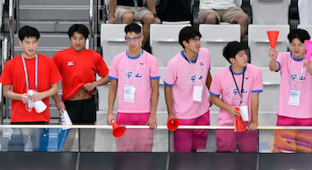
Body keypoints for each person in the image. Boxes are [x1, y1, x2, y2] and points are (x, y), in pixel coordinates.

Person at [0, 26, 62, 151]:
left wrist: (41, 95)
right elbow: (5, 92)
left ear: (37, 43)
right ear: (20, 43)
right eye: (27, 42)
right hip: (19, 117)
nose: (31, 46)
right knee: (16, 154)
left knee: (40, 154)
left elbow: (55, 88)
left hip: (40, 116)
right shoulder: (11, 64)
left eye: (34, 42)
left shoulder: (48, 62)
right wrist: (20, 97)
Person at [53, 24, 110, 151]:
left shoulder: (94, 56)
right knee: (66, 142)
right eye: (74, 38)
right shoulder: (60, 56)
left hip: (88, 104)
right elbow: (50, 80)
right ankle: (63, 164)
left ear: (86, 39)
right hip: (69, 105)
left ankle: (87, 163)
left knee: (87, 143)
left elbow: (109, 76)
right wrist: (57, 100)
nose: (77, 42)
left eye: (81, 38)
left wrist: (95, 84)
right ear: (70, 39)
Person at [107, 23, 160, 152]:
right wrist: (110, 112)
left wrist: (153, 114)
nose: (132, 42)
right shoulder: (117, 59)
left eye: (135, 38)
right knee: (124, 152)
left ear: (141, 38)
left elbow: (155, 90)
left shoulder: (151, 60)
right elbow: (113, 88)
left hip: (144, 113)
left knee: (144, 153)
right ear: (125, 38)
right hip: (124, 113)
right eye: (129, 39)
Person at [269, 28, 312, 153]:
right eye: (293, 44)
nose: (296, 48)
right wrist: (273, 59)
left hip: (307, 115)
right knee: (283, 152)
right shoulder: (283, 56)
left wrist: (309, 68)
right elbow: (273, 67)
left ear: (306, 45)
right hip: (285, 113)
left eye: (300, 45)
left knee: (305, 152)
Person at [164, 26, 212, 152]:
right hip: (183, 114)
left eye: (199, 39)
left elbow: (207, 74)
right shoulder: (174, 63)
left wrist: (213, 95)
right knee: (183, 153)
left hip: (202, 111)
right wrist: (170, 113)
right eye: (194, 40)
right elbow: (167, 88)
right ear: (185, 43)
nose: (198, 43)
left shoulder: (205, 54)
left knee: (198, 150)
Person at [209, 41, 262, 152]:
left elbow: (255, 97)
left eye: (245, 54)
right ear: (232, 60)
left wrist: (254, 121)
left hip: (247, 123)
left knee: (249, 157)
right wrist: (229, 108)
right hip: (226, 123)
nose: (245, 57)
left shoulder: (255, 71)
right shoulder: (220, 75)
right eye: (241, 55)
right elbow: (213, 98)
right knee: (225, 157)